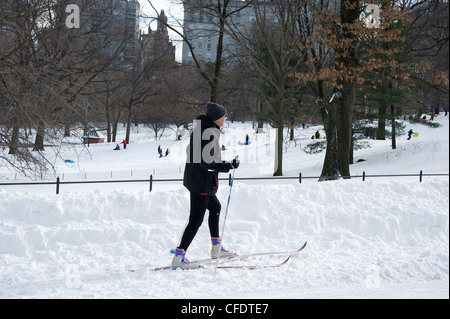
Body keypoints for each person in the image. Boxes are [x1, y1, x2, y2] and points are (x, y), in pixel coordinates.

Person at [172, 102, 240, 270]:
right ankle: (179, 257)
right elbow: (207, 163)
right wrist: (228, 166)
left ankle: (216, 248)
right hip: (201, 183)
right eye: (224, 115)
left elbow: (196, 155)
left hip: (198, 180)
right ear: (217, 118)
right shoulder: (208, 133)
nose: (226, 118)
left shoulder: (203, 130)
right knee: (196, 220)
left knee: (215, 207)